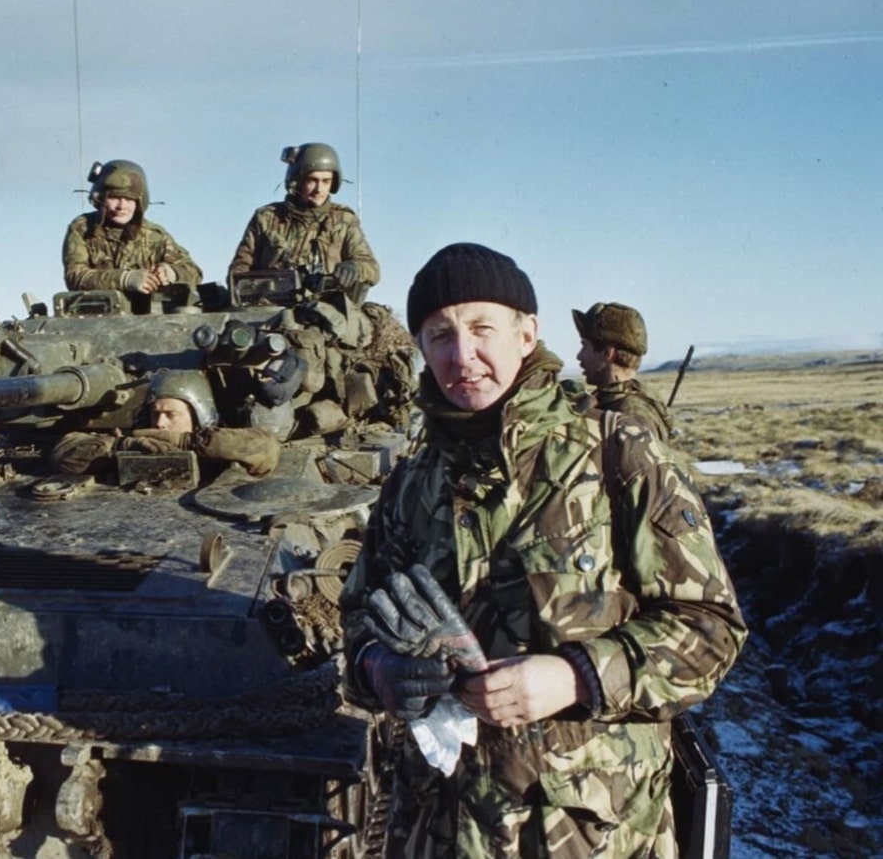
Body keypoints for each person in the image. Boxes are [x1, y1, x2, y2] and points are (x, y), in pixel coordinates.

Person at [339, 243, 746, 857]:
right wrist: (382, 670)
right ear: (420, 349)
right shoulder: (410, 486)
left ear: (527, 333)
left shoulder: (620, 456)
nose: (463, 356)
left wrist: (575, 676)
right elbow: (359, 621)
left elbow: (711, 630)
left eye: (482, 329)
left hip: (584, 833)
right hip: (436, 826)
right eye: (440, 336)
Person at [50, 369, 281, 478]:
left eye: (172, 414)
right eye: (155, 413)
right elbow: (63, 455)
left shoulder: (217, 442)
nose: (160, 423)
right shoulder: (134, 441)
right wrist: (121, 447)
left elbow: (267, 449)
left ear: (197, 413)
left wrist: (187, 442)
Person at [228, 143, 379, 302]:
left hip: (325, 310)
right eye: (312, 180)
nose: (319, 189)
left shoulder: (343, 221)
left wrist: (355, 267)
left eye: (326, 181)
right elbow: (238, 271)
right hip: (270, 308)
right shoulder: (266, 218)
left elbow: (371, 267)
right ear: (297, 181)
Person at [62, 159, 202, 296]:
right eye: (114, 198)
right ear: (101, 199)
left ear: (139, 203)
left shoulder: (154, 236)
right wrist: (124, 279)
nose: (121, 206)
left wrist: (170, 272)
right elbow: (75, 276)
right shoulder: (83, 229)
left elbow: (193, 271)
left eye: (129, 199)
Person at [573, 301, 674, 441]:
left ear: (608, 353)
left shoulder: (629, 415)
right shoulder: (631, 401)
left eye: (585, 347)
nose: (579, 356)